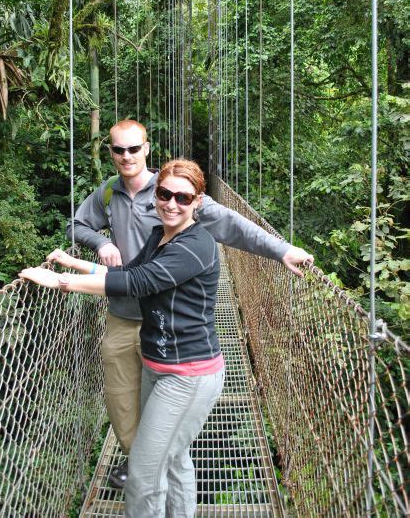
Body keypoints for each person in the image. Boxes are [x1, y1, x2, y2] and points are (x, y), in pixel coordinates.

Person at [65, 119, 313, 487]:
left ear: (147, 148)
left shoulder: (173, 190)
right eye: (119, 149)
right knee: (120, 399)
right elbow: (76, 225)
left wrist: (282, 250)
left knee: (161, 408)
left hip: (167, 322)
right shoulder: (108, 193)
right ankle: (142, 463)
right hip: (122, 313)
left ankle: (146, 472)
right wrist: (102, 243)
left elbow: (231, 224)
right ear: (112, 153)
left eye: (134, 148)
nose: (127, 156)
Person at [20, 160, 225, 517]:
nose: (172, 203)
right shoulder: (159, 236)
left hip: (188, 375)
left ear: (198, 201)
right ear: (156, 194)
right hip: (157, 365)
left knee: (144, 477)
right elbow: (130, 272)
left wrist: (61, 283)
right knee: (174, 459)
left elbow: (135, 285)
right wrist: (75, 263)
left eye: (183, 197)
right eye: (164, 194)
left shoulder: (197, 245)